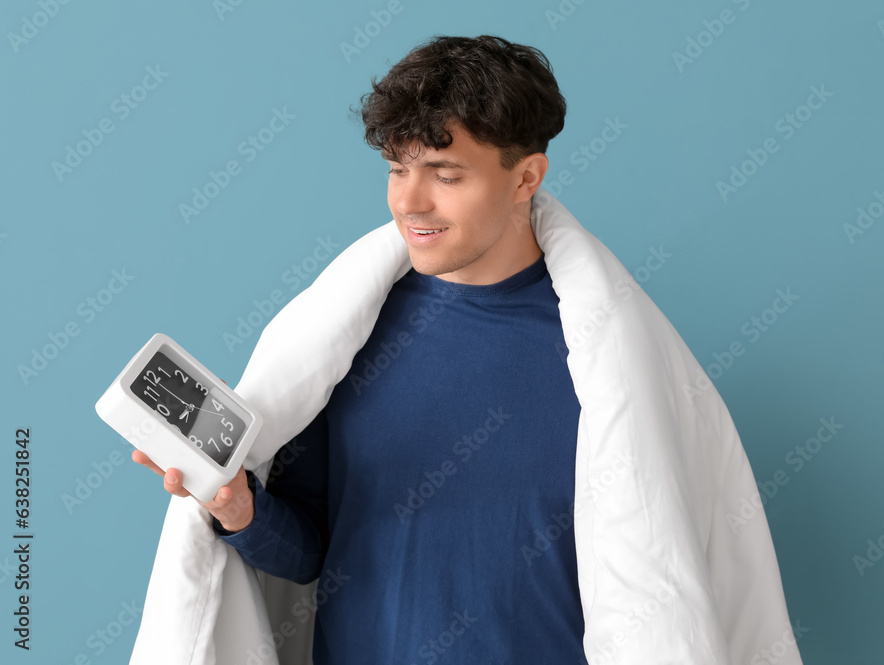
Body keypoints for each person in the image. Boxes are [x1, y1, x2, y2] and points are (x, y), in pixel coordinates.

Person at [133, 34, 589, 663]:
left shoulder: (600, 352)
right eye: (398, 169)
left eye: (445, 174)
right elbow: (315, 548)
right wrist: (240, 509)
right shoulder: (351, 334)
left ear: (526, 177)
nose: (408, 201)